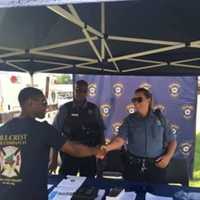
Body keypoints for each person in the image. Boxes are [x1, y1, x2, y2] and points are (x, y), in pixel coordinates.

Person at [0, 87, 104, 200]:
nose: (46, 106)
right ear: (30, 103)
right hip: (32, 195)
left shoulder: (3, 129)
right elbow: (74, 150)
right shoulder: (43, 129)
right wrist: (96, 151)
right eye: (43, 102)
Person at [101, 87, 177, 183]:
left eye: (139, 99)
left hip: (156, 167)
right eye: (134, 100)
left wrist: (167, 157)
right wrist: (107, 148)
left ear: (148, 100)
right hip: (133, 167)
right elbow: (120, 140)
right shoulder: (129, 120)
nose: (136, 103)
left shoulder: (161, 119)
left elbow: (172, 141)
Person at [51, 80, 105, 177]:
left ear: (87, 93)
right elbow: (55, 134)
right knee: (66, 182)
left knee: (88, 183)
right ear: (74, 90)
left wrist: (102, 155)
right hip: (69, 153)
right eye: (78, 90)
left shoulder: (93, 109)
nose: (80, 93)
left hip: (89, 152)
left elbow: (101, 131)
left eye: (84, 91)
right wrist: (54, 159)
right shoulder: (65, 109)